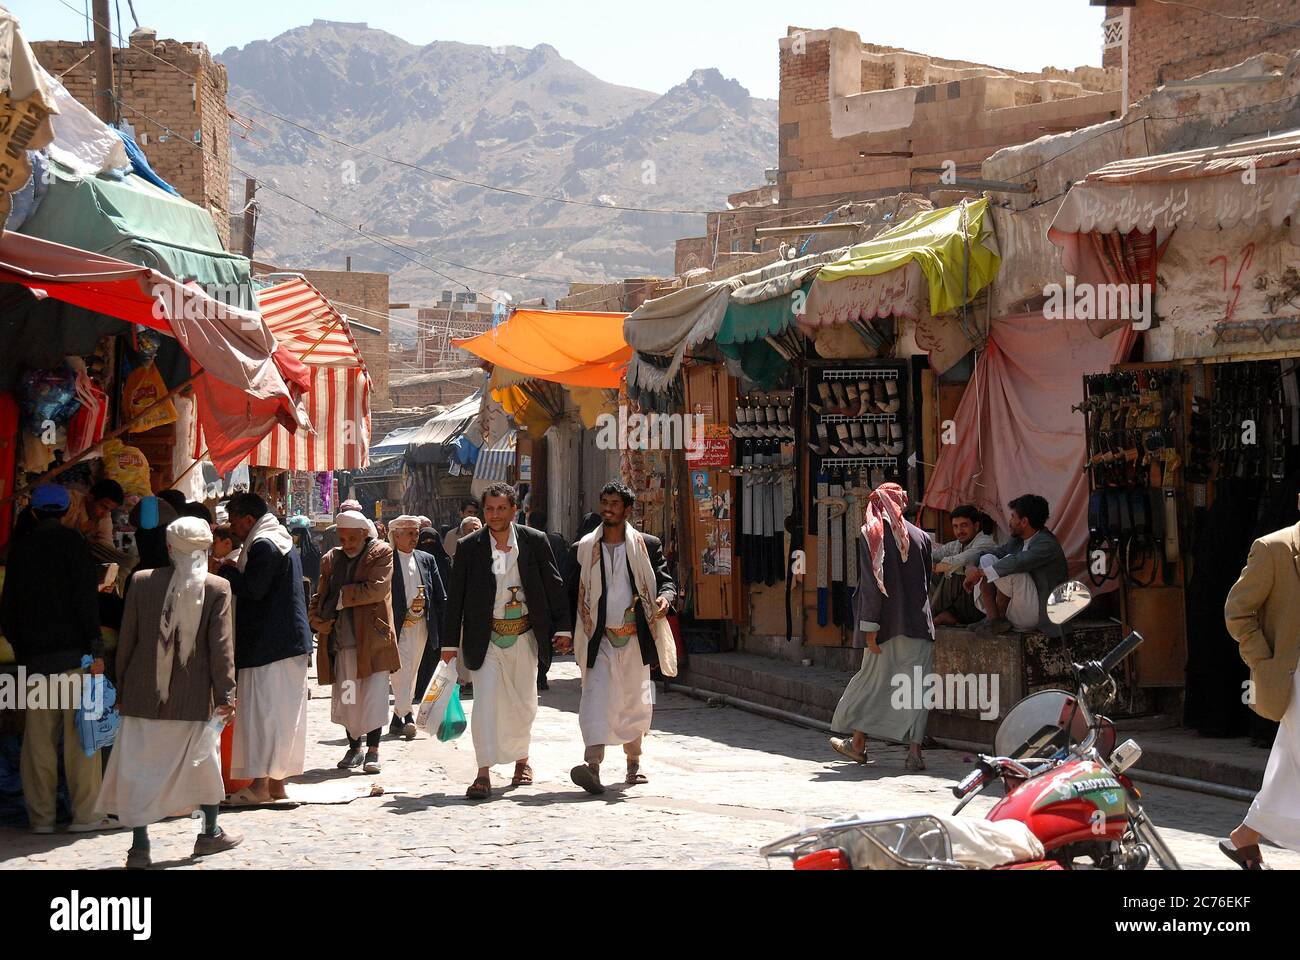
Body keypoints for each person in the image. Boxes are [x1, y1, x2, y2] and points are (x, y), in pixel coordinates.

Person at [96, 518, 241, 869]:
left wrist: (123, 688)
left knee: (139, 770)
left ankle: (140, 848)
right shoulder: (217, 587)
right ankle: (209, 832)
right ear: (206, 548)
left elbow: (127, 641)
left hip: (143, 697)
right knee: (204, 767)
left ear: (169, 547)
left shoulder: (141, 582)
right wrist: (227, 695)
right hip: (192, 700)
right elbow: (221, 649)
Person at [441, 483, 571, 800]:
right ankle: (483, 771)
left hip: (524, 635)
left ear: (514, 510)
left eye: (501, 508)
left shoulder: (534, 542)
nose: (495, 514)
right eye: (489, 509)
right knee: (485, 703)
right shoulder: (470, 546)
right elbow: (455, 596)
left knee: (523, 702)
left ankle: (521, 760)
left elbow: (554, 586)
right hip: (484, 638)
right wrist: (449, 645)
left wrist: (564, 628)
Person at [1, 484, 117, 834]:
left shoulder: (18, 549)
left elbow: (8, 611)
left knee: (37, 746)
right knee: (82, 741)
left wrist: (24, 653)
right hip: (75, 661)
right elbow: (85, 603)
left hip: (36, 664)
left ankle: (41, 819)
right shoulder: (74, 545)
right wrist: (95, 649)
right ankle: (86, 816)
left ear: (34, 511)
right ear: (66, 510)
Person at [569, 482, 675, 794]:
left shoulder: (647, 545)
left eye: (614, 503)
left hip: (634, 638)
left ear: (628, 510)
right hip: (598, 638)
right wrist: (563, 631)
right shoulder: (585, 548)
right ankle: (592, 765)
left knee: (635, 700)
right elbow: (571, 591)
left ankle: (634, 763)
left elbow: (667, 582)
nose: (608, 508)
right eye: (604, 502)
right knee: (595, 698)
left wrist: (664, 600)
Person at [829, 483, 935, 770]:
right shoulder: (923, 537)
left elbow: (870, 588)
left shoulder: (870, 535)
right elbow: (927, 583)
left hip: (885, 629)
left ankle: (859, 743)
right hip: (919, 627)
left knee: (872, 685)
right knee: (916, 691)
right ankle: (914, 753)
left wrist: (869, 628)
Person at [1220, 494, 1300, 870]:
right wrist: (1263, 661)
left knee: (1288, 766)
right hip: (1293, 678)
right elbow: (1237, 612)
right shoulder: (1274, 548)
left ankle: (1245, 836)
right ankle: (1245, 836)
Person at [219, 493, 313, 803]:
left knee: (264, 715)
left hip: (269, 645)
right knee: (282, 715)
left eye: (235, 523)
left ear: (248, 520)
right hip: (285, 644)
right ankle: (276, 784)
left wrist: (226, 570)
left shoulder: (263, 544)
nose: (233, 530)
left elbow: (253, 590)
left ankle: (261, 785)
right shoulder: (277, 538)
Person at [309, 511, 400, 773]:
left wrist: (341, 598)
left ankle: (373, 750)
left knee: (373, 697)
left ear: (363, 534)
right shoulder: (331, 559)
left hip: (372, 642)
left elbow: (377, 589)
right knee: (348, 697)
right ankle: (354, 747)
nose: (347, 543)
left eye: (352, 537)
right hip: (343, 644)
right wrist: (316, 617)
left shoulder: (380, 553)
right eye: (342, 538)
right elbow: (321, 592)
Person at [962, 494, 1068, 636]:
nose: (1010, 522)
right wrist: (971, 567)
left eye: (1013, 517)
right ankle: (993, 619)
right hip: (1018, 607)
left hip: (1040, 613)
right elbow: (990, 552)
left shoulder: (1046, 543)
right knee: (988, 558)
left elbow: (1018, 562)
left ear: (1024, 521)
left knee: (1010, 566)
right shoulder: (1017, 540)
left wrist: (981, 573)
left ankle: (997, 618)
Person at [386, 515, 446, 739]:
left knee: (412, 672)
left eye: (416, 533)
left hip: (421, 625)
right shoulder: (387, 560)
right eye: (410, 533)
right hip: (398, 626)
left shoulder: (426, 559)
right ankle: (408, 717)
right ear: (397, 535)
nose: (415, 538)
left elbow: (439, 593)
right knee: (401, 671)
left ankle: (396, 719)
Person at [527, 509, 572, 692]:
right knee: (545, 637)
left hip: (534, 597)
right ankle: (542, 675)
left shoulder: (525, 541)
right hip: (550, 597)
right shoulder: (556, 541)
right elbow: (562, 569)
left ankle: (537, 675)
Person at [931, 505, 997, 626]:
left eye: (964, 525)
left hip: (979, 607)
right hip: (961, 604)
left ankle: (928, 615)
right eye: (955, 526)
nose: (959, 531)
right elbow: (933, 555)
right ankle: (935, 615)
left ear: (976, 526)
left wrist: (937, 567)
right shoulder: (956, 545)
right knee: (926, 572)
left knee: (955, 573)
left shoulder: (985, 542)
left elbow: (962, 561)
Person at [63, 478, 124, 548]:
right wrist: (78, 533)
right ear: (90, 498)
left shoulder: (105, 515)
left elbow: (107, 542)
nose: (105, 514)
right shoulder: (68, 502)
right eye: (103, 507)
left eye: (110, 510)